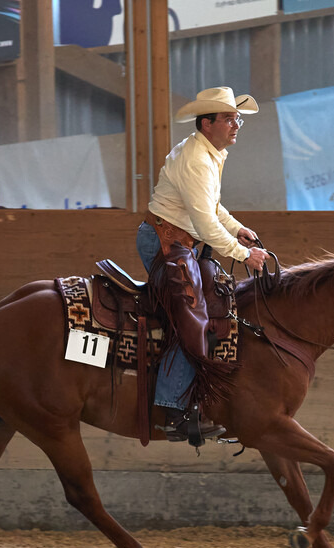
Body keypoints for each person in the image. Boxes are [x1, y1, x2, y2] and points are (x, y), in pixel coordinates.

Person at [136, 86, 270, 443]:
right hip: (167, 243)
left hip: (180, 241)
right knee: (192, 317)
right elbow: (206, 222)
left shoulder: (206, 153)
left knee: (207, 308)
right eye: (228, 118)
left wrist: (238, 228)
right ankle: (172, 410)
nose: (236, 124)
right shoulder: (197, 160)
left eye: (236, 118)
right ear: (207, 123)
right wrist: (244, 254)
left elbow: (212, 210)